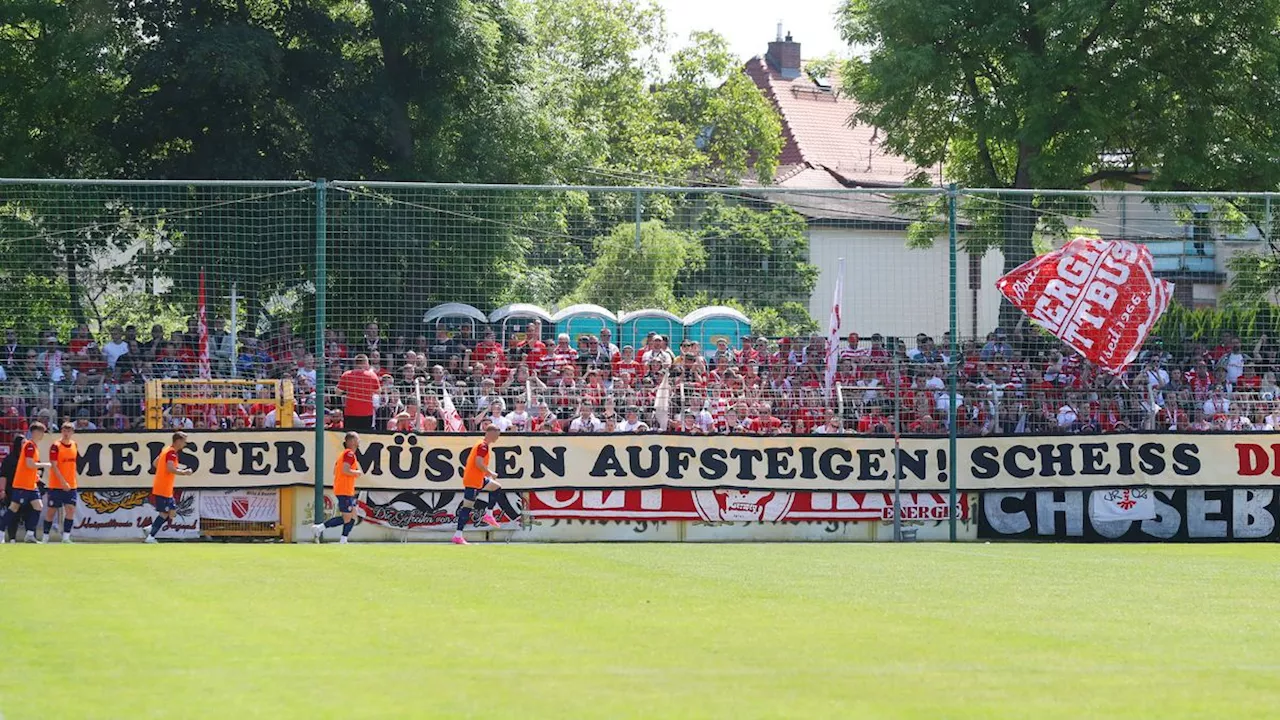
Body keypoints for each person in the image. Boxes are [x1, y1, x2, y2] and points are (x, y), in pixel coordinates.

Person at [453, 425, 504, 545]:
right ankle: (458, 535)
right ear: (491, 433)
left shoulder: (481, 443)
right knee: (467, 507)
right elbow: (478, 463)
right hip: (473, 480)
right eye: (497, 434)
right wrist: (491, 473)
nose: (498, 437)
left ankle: (489, 514)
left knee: (496, 487)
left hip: (478, 479)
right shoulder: (483, 446)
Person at [3, 423, 51, 543]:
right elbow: (30, 464)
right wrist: (46, 464)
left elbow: (29, 466)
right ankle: (1, 533)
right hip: (22, 484)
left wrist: (36, 476)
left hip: (31, 484)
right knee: (13, 509)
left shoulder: (34, 446)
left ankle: (30, 534)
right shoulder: (29, 445)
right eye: (42, 432)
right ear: (36, 432)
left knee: (38, 506)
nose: (43, 435)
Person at [145, 432, 194, 543]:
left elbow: (155, 463)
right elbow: (170, 468)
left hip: (164, 486)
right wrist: (184, 472)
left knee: (172, 512)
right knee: (165, 513)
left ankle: (151, 528)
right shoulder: (171, 453)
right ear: (178, 441)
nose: (184, 444)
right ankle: (151, 536)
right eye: (184, 441)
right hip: (163, 486)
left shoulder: (166, 449)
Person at [313, 431, 361, 544]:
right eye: (358, 439)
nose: (359, 442)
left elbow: (336, 471)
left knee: (353, 516)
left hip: (345, 489)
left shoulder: (343, 454)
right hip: (344, 489)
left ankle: (343, 539)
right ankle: (319, 528)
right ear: (353, 441)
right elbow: (345, 470)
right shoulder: (349, 454)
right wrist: (356, 473)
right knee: (347, 518)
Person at [42, 422, 78, 543]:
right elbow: (54, 465)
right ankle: (45, 537)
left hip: (71, 484)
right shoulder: (56, 446)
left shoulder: (74, 445)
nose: (66, 433)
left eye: (69, 431)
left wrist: (70, 481)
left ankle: (66, 537)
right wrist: (63, 482)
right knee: (51, 511)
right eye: (64, 431)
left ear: (72, 432)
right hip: (56, 484)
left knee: (70, 510)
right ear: (61, 431)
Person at [336, 354, 380, 431]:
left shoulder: (346, 375)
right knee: (365, 435)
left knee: (350, 434)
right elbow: (378, 391)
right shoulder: (372, 375)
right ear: (366, 363)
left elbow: (338, 392)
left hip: (350, 412)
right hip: (366, 412)